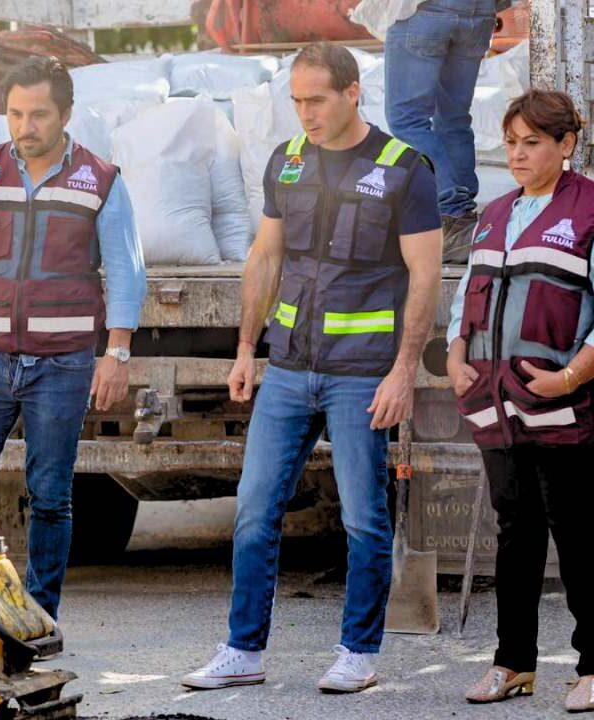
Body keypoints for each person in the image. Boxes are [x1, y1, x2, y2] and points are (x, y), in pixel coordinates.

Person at [181, 43, 442, 694]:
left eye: (317, 100)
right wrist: (246, 348)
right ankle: (243, 650)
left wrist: (404, 370)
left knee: (363, 518)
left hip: (362, 372)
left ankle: (358, 651)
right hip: (290, 368)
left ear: (353, 93)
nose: (305, 114)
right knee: (254, 511)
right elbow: (265, 259)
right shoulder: (288, 161)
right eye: (296, 101)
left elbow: (426, 275)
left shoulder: (403, 169)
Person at [0, 56, 146, 622]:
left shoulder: (99, 179)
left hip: (64, 363)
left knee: (50, 495)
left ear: (65, 115)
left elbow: (126, 269)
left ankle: (40, 615)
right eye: (16, 114)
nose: (26, 126)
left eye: (38, 114)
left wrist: (116, 352)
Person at [446, 89, 594, 712]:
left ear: (566, 145)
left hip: (563, 404)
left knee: (581, 532)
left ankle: (593, 667)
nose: (518, 154)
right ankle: (514, 664)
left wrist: (569, 379)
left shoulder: (589, 210)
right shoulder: (494, 212)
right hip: (496, 406)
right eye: (510, 142)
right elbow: (469, 295)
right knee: (516, 532)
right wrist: (455, 353)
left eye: (532, 142)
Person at [352, 0, 510, 262]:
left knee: (407, 120)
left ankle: (451, 211)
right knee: (454, 119)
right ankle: (461, 223)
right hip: (479, 12)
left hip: (427, 11)